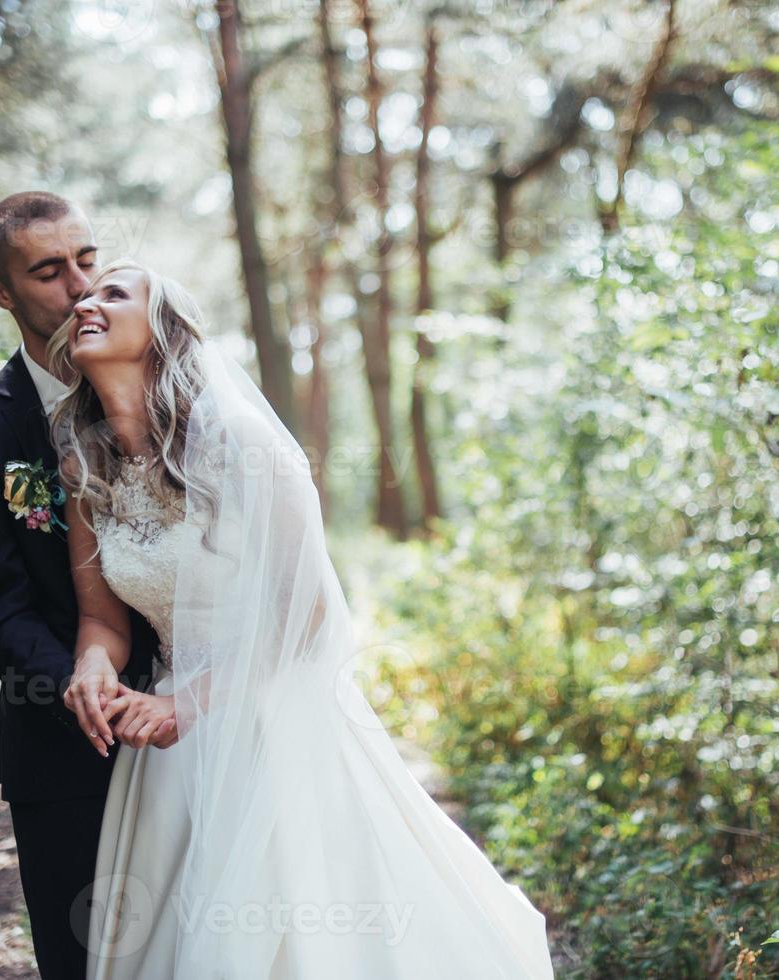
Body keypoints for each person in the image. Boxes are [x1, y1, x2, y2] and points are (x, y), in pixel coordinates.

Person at [48, 258, 556, 978]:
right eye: (83, 298)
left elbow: (308, 613)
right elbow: (102, 617)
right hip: (165, 748)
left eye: (112, 293)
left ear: (163, 333)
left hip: (269, 724)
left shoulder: (240, 446)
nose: (85, 304)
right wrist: (91, 668)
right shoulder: (85, 468)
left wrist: (185, 705)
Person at [0, 193, 174, 979]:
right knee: (83, 961)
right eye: (47, 271)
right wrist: (76, 685)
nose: (77, 287)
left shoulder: (187, 398)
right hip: (67, 744)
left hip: (201, 725)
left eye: (87, 260)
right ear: (2, 293)